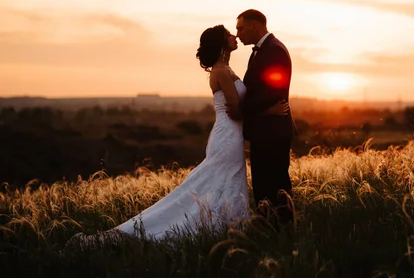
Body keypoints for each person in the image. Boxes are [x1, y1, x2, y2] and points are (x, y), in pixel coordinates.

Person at [70, 24, 285, 245]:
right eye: (229, 34)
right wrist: (268, 111)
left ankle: (225, 226)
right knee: (223, 179)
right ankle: (205, 225)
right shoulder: (220, 72)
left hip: (232, 135)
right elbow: (235, 109)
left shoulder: (227, 69)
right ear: (221, 43)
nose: (234, 35)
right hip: (227, 136)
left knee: (226, 180)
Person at [228, 9, 297, 228]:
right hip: (265, 130)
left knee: (275, 185)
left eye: (240, 28)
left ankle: (282, 232)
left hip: (273, 131)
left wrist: (240, 109)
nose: (237, 34)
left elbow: (270, 92)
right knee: (263, 185)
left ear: (255, 26)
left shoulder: (274, 51)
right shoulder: (262, 51)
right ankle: (269, 229)